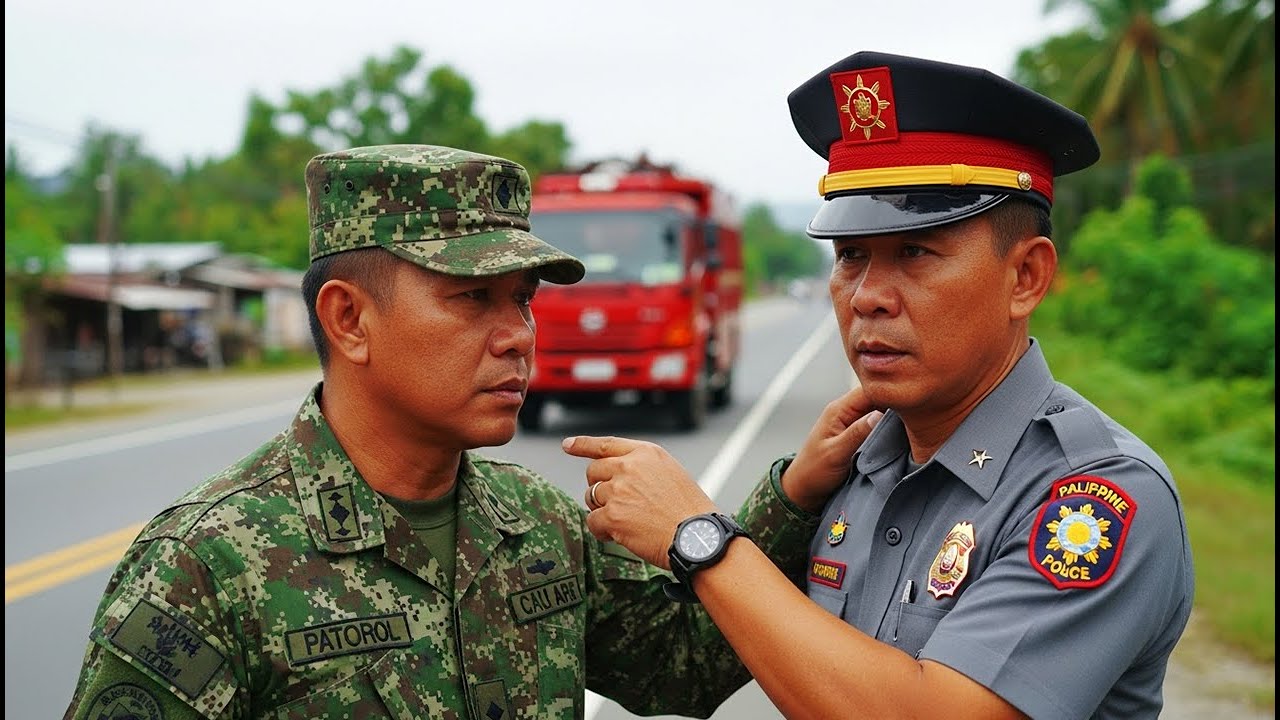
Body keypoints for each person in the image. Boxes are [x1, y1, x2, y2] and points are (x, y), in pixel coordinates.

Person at [62, 144, 838, 719]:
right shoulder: (209, 565)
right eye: (472, 299)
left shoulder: (535, 523)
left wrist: (794, 495)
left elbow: (686, 666)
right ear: (349, 319)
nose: (520, 335)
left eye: (523, 298)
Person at [563, 51, 1194, 720]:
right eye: (851, 256)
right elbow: (691, 658)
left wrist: (701, 539)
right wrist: (789, 498)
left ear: (1026, 278)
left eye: (915, 252)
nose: (867, 297)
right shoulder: (854, 467)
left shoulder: (1093, 500)